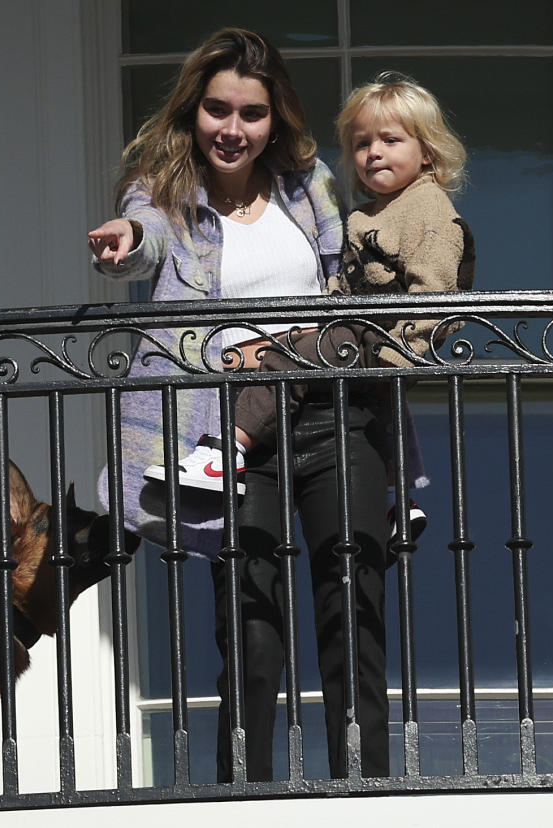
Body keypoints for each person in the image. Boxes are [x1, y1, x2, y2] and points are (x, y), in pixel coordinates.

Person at [86, 28, 395, 782]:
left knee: (351, 615)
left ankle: (370, 792)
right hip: (228, 434)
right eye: (218, 110)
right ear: (194, 112)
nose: (233, 130)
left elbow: (346, 278)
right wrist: (128, 238)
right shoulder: (161, 194)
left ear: (275, 118)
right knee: (251, 632)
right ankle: (243, 797)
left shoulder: (308, 183)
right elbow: (149, 234)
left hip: (328, 414)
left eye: (251, 114)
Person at [147, 71, 474, 541]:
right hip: (365, 332)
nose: (372, 152)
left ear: (427, 151)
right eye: (361, 144)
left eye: (390, 140)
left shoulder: (429, 209)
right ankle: (398, 501)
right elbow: (344, 281)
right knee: (347, 381)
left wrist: (400, 351)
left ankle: (227, 449)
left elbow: (435, 289)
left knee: (290, 355)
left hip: (387, 336)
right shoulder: (369, 212)